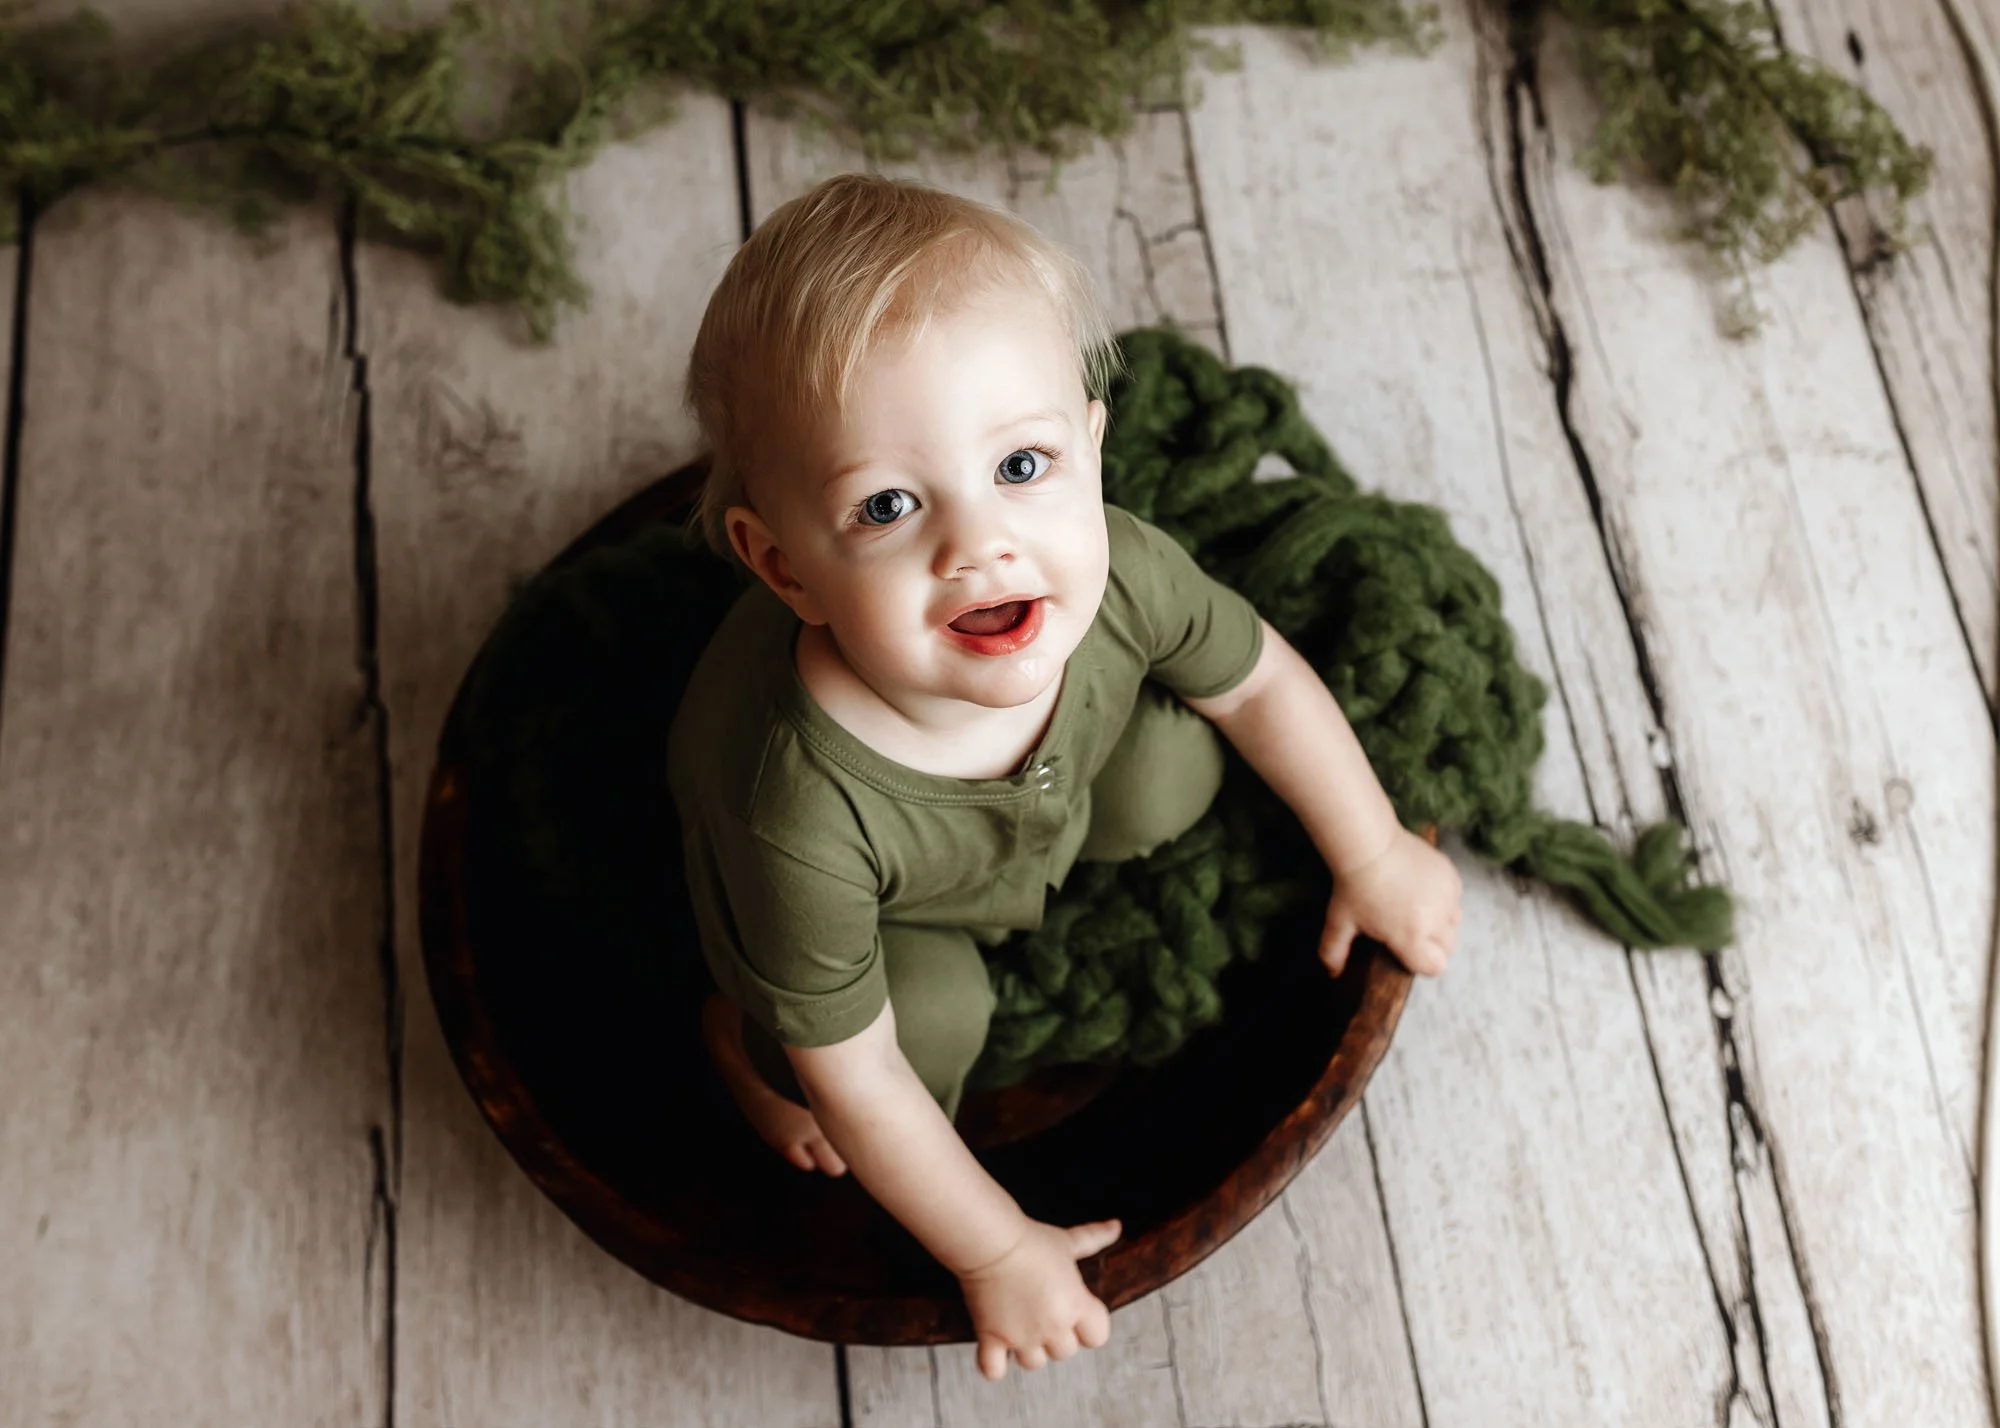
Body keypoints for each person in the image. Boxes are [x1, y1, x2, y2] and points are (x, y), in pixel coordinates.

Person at [666, 173, 1462, 1381]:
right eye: (885, 506)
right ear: (784, 570)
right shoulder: (793, 808)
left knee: (1173, 760)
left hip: (1048, 804)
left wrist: (1370, 847)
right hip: (891, 913)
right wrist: (993, 1252)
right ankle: (739, 1042)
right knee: (923, 1031)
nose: (977, 544)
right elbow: (866, 1073)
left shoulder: (1121, 573)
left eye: (1021, 466)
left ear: (1090, 447)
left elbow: (1258, 683)